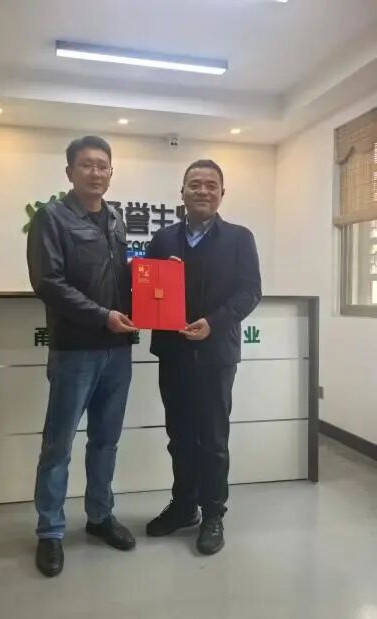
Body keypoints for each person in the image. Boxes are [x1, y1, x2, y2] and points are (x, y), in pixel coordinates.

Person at [27, 136, 137, 578]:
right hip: (75, 350)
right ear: (69, 172)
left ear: (111, 173)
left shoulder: (115, 218)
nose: (96, 172)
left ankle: (99, 516)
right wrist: (102, 316)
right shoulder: (51, 218)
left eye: (102, 165)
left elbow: (120, 278)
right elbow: (48, 282)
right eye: (87, 164)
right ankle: (50, 530)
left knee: (106, 440)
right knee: (59, 444)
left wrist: (154, 289)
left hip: (118, 350)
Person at [145, 159, 261, 555]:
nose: (203, 191)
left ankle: (213, 514)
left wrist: (214, 323)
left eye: (211, 185)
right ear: (182, 193)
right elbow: (146, 290)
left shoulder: (239, 238)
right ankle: (184, 506)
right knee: (179, 436)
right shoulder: (163, 240)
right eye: (194, 184)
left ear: (222, 193)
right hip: (173, 352)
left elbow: (250, 292)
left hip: (216, 353)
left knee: (212, 438)